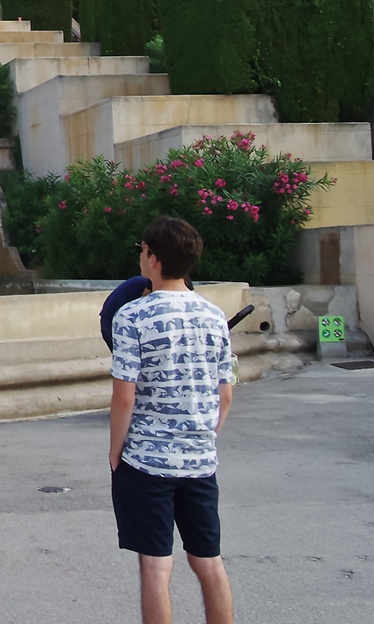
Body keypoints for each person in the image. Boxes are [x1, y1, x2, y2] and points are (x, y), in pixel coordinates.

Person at [110, 217, 235, 624]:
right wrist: (203, 437)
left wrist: (116, 453)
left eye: (142, 249)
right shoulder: (215, 315)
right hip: (200, 460)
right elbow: (225, 392)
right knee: (209, 562)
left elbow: (124, 397)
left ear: (153, 258)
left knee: (156, 565)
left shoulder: (132, 316)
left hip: (147, 460)